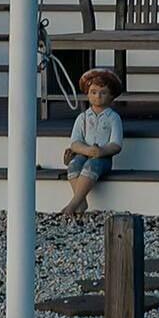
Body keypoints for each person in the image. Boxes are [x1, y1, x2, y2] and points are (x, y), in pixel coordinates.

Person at [59, 68, 125, 216]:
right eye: (93, 92)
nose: (98, 96)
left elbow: (116, 144)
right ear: (88, 94)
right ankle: (81, 202)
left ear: (112, 96)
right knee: (74, 164)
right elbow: (75, 142)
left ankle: (72, 204)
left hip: (102, 158)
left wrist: (101, 151)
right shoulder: (82, 118)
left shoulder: (113, 118)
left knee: (92, 165)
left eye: (103, 93)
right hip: (84, 154)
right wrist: (86, 150)